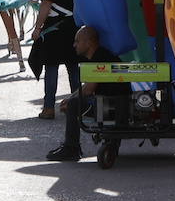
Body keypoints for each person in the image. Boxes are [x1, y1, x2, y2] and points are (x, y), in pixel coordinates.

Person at [48, 25, 130, 161]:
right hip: (116, 104)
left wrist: (70, 100)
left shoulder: (100, 58)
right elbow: (89, 86)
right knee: (74, 101)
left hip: (110, 106)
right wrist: (70, 97)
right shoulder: (102, 55)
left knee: (74, 105)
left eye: (77, 41)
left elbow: (89, 89)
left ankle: (71, 148)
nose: (74, 45)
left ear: (89, 42)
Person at [31, 0, 79, 119]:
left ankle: (49, 108)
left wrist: (37, 28)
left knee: (51, 68)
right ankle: (77, 106)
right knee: (73, 68)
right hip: (73, 26)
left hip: (55, 28)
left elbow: (46, 4)